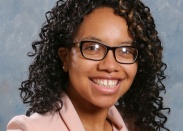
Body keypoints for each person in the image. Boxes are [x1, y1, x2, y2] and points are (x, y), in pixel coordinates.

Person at [7, 0, 170, 131]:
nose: (110, 65)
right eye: (93, 48)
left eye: (125, 50)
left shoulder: (135, 127)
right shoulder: (29, 129)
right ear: (65, 58)